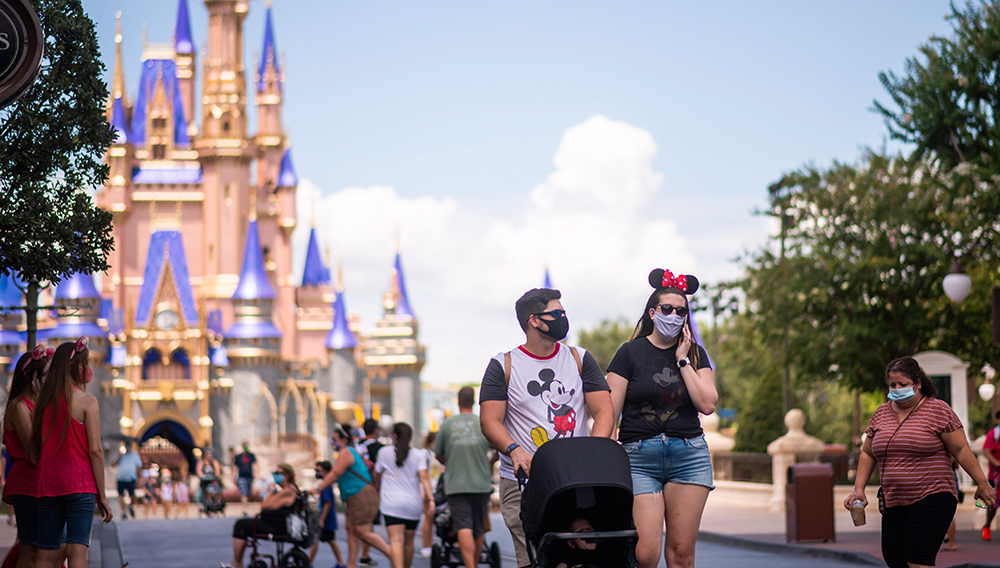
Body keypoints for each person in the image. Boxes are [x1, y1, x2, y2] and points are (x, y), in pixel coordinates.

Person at [480, 288, 614, 568]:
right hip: (523, 483)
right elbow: (490, 421)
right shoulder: (503, 366)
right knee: (535, 559)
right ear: (534, 321)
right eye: (556, 313)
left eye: (563, 312)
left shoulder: (579, 358)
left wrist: (594, 454)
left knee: (580, 555)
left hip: (576, 479)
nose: (563, 318)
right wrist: (514, 451)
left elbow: (604, 411)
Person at [606, 269, 717, 568]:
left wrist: (682, 360)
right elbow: (608, 411)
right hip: (639, 458)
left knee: (682, 553)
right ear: (653, 313)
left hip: (688, 455)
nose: (674, 315)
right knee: (646, 553)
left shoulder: (694, 354)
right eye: (667, 309)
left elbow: (708, 404)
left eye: (681, 310)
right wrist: (598, 453)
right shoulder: (628, 353)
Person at [846, 356, 997, 568]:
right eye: (892, 385)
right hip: (893, 500)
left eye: (903, 384)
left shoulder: (938, 410)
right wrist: (859, 489)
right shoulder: (880, 414)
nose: (897, 388)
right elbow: (868, 453)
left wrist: (982, 482)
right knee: (894, 559)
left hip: (933, 495)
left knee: (918, 559)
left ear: (917, 383)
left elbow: (961, 449)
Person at [28, 337, 113, 568]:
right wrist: (102, 496)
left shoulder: (42, 403)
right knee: (77, 554)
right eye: (86, 363)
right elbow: (95, 451)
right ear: (76, 367)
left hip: (48, 485)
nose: (89, 368)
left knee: (45, 554)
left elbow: (35, 448)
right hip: (79, 484)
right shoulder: (87, 401)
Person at [315, 424, 394, 568]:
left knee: (362, 531)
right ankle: (351, 564)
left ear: (344, 439)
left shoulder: (346, 452)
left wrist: (317, 488)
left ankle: (392, 555)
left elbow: (336, 473)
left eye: (334, 439)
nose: (332, 442)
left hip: (361, 496)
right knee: (351, 530)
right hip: (355, 496)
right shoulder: (349, 451)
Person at [435, 386, 494, 568]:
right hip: (481, 484)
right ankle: (473, 563)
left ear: (458, 402)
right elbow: (498, 449)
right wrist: (489, 462)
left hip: (456, 484)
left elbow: (438, 454)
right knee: (478, 529)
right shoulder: (483, 423)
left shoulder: (447, 425)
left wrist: (450, 460)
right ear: (475, 401)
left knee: (463, 526)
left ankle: (470, 567)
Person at [4, 347, 50, 568]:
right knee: (30, 548)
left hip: (37, 482)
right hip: (27, 483)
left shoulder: (34, 405)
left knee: (44, 548)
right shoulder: (20, 406)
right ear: (34, 377)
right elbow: (34, 450)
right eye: (46, 375)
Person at [374, 422, 432, 568]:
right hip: (413, 504)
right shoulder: (419, 454)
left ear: (394, 436)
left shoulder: (384, 453)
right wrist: (431, 499)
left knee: (396, 540)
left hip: (391, 504)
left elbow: (377, 474)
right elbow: (424, 477)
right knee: (408, 542)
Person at [221, 463, 299, 568]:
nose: (275, 476)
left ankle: (236, 563)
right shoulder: (290, 489)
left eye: (278, 473)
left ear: (286, 476)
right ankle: (237, 562)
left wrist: (271, 491)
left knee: (240, 525)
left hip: (276, 527)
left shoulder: (287, 491)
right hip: (276, 523)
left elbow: (265, 505)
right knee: (245, 523)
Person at [357, 419, 384, 567]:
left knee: (357, 522)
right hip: (372, 488)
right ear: (375, 430)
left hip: (355, 487)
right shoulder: (380, 448)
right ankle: (364, 555)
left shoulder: (357, 446)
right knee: (368, 522)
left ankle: (359, 556)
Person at [309, 461, 345, 568]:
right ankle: (340, 563)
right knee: (328, 541)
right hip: (327, 518)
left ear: (325, 471)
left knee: (321, 540)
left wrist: (322, 519)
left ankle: (309, 562)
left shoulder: (325, 485)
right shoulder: (325, 484)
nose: (316, 473)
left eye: (318, 471)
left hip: (327, 518)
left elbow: (327, 503)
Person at [980, 409, 1000, 540]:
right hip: (995, 476)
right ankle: (987, 526)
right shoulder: (994, 434)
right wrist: (998, 463)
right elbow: (986, 451)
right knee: (992, 504)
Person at [419, 431, 439, 558]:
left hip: (442, 487)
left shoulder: (443, 452)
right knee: (429, 517)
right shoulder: (426, 453)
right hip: (430, 488)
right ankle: (427, 545)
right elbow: (423, 474)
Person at [113, 442, 143, 520]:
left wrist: (139, 479)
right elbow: (113, 464)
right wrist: (119, 456)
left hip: (131, 478)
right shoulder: (120, 455)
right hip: (121, 478)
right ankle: (124, 512)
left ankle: (130, 507)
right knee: (120, 495)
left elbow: (138, 468)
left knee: (132, 496)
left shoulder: (135, 455)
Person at [233, 441, 258, 516]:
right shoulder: (238, 457)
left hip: (249, 476)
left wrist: (255, 473)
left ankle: (246, 504)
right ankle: (244, 507)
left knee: (248, 491)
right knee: (243, 491)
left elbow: (255, 464)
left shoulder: (251, 456)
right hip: (241, 476)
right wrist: (234, 476)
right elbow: (235, 467)